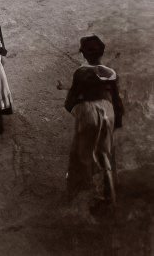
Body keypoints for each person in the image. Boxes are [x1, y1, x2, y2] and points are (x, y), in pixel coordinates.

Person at [62, 35, 124, 210]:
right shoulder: (111, 73)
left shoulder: (81, 72)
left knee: (81, 154)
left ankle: (80, 194)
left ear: (83, 54)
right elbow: (116, 99)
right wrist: (117, 120)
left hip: (89, 112)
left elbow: (72, 98)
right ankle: (108, 195)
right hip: (108, 111)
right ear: (101, 53)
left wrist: (72, 108)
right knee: (104, 153)